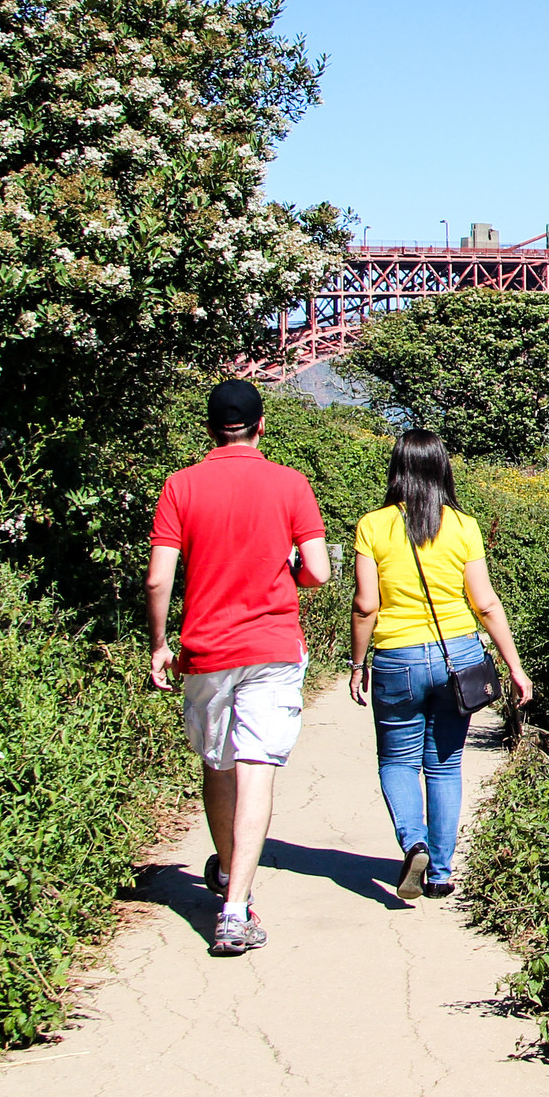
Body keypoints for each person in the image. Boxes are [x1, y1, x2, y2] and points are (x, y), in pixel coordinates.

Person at [146, 379, 331, 957]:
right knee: (257, 766)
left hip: (206, 649)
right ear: (261, 426)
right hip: (273, 647)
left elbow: (158, 577)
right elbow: (319, 573)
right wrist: (287, 575)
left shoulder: (181, 486)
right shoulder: (290, 484)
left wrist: (159, 644)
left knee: (217, 761)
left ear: (208, 429)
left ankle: (229, 873)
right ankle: (234, 910)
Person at [348, 431, 533, 900]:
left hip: (398, 659)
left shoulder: (372, 526)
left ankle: (414, 841)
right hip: (459, 657)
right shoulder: (463, 526)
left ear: (397, 470)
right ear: (443, 469)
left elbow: (366, 605)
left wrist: (356, 663)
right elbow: (486, 603)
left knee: (396, 760)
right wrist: (514, 665)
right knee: (445, 764)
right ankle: (441, 873)